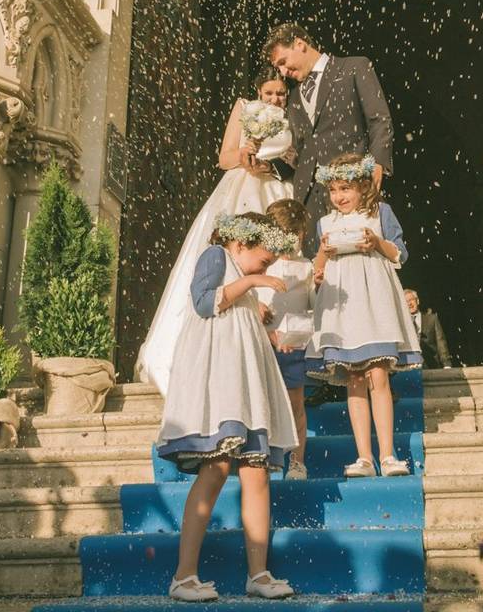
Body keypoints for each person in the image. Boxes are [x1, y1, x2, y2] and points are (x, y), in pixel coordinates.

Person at [156, 212, 299, 602]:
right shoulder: (216, 255)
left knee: (256, 473)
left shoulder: (243, 280)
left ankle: (258, 573)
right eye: (264, 260)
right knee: (216, 468)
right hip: (222, 387)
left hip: (248, 388)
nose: (266, 268)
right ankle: (184, 575)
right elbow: (203, 303)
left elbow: (237, 318)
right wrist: (252, 280)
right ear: (240, 243)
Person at [135, 68, 296, 395]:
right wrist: (244, 155)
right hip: (240, 186)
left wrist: (274, 166)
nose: (275, 99)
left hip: (275, 192)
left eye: (280, 93)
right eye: (269, 93)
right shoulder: (244, 108)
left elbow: (297, 158)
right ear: (258, 90)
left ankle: (280, 348)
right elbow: (223, 158)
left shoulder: (293, 117)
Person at [306, 153, 421, 478]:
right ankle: (364, 457)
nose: (339, 197)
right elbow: (318, 271)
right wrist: (321, 258)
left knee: (379, 375)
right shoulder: (326, 223)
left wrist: (376, 242)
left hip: (375, 303)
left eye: (345, 189)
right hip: (344, 310)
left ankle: (387, 455)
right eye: (333, 190)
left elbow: (400, 254)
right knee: (354, 379)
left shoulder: (380, 213)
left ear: (362, 186)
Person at [263, 23, 394, 256]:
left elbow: (379, 120)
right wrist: (268, 166)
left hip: (350, 188)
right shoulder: (293, 98)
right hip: (308, 200)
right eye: (277, 67)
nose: (282, 72)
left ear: (300, 44)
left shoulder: (354, 67)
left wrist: (378, 163)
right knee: (317, 271)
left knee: (355, 259)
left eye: (283, 61)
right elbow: (300, 152)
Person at [257, 199, 315, 481]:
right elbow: (249, 298)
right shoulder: (261, 266)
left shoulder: (307, 267)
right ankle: (266, 455)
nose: (290, 241)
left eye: (296, 235)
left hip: (295, 343)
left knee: (295, 405)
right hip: (265, 345)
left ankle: (297, 461)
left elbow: (314, 305)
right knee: (265, 402)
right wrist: (259, 313)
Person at [404, 289, 453, 369]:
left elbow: (441, 342)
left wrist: (446, 364)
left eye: (411, 300)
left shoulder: (432, 319)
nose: (409, 304)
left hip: (431, 365)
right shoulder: (402, 323)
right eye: (406, 302)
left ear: (418, 301)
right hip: (410, 367)